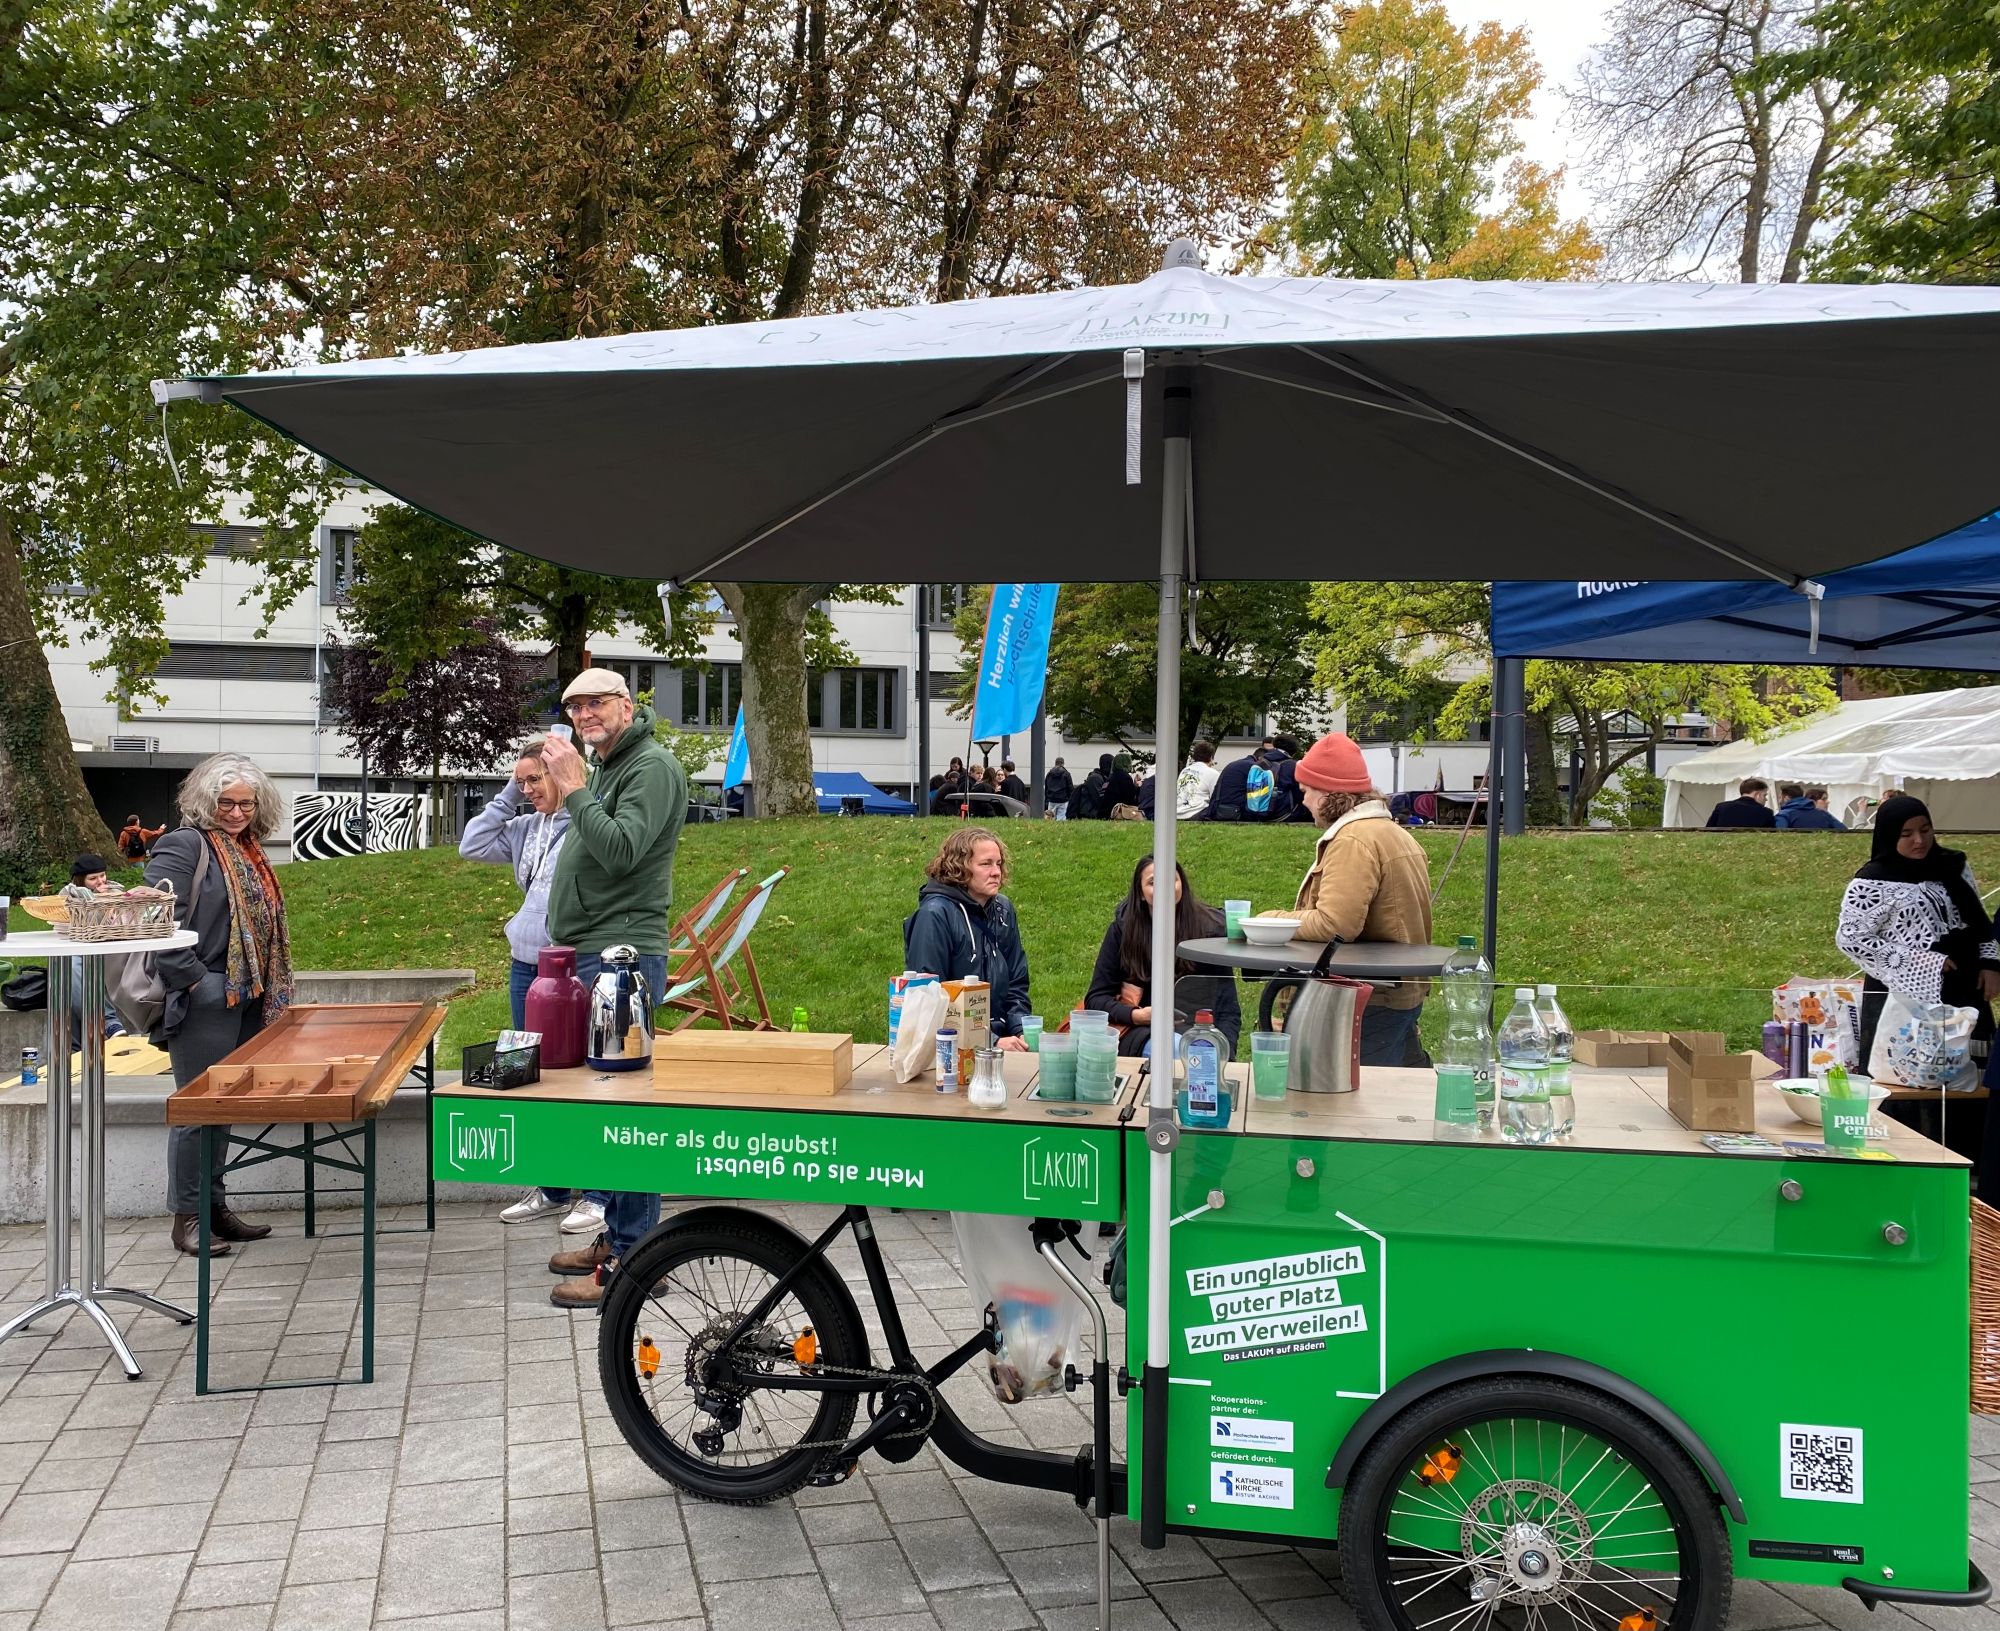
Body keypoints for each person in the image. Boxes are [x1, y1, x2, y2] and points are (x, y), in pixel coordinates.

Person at [539, 667, 688, 1309]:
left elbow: (622, 850)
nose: (583, 714)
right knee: (611, 1107)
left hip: (621, 955)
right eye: (573, 705)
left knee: (628, 1111)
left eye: (596, 701)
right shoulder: (610, 765)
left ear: (628, 705)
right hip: (597, 949)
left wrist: (573, 787)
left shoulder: (650, 766)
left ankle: (632, 1261)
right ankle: (623, 1238)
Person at [145, 754, 290, 1258]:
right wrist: (195, 982)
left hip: (248, 993)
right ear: (206, 801)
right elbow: (155, 918)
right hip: (205, 996)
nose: (236, 812)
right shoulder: (184, 844)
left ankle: (215, 1209)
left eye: (246, 803)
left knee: (223, 1105)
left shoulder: (248, 850)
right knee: (197, 1108)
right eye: (226, 802)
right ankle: (187, 1218)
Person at [1836, 795, 2000, 1189]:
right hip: (1905, 995)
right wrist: (1922, 961)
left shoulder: (1954, 865)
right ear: (1890, 835)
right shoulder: (1873, 879)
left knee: (1968, 1083)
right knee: (1909, 1083)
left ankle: (1969, 1172)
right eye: (1906, 833)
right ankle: (1909, 1168)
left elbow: (1979, 919)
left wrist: (1992, 964)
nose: (1918, 841)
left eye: (1924, 830)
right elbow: (1851, 937)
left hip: (1965, 991)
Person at [458, 737, 577, 1227]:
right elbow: (472, 844)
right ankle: (551, 1186)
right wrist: (508, 792)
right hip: (523, 963)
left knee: (575, 1077)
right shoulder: (526, 826)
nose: (528, 789)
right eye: (521, 780)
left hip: (568, 965)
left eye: (535, 779)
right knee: (527, 1072)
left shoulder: (582, 823)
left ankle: (594, 1192)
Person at [1289, 732, 1434, 1065]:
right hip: (1399, 991)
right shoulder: (1392, 832)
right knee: (1402, 1094)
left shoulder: (1354, 838)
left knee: (1360, 1103)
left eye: (1307, 791)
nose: (1304, 801)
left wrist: (1271, 920)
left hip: (1372, 996)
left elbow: (1335, 924)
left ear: (1329, 794)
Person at [1085, 858, 1240, 1059]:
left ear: (1181, 885)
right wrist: (1138, 1016)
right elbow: (1096, 999)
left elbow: (1228, 1010)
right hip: (1142, 1032)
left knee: (1202, 1054)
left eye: (1171, 880)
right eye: (1153, 882)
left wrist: (1226, 1058)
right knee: (1176, 1048)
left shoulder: (1209, 933)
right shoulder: (1123, 931)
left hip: (1200, 1034)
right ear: (1141, 893)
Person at [903, 826, 1031, 1049]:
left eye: (998, 863)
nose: (996, 872)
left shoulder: (1003, 909)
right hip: (951, 1050)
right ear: (959, 868)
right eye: (985, 864)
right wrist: (991, 1043)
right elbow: (930, 1000)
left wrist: (1021, 1030)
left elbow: (1016, 984)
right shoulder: (934, 915)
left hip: (1003, 1041)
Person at [66, 856, 126, 1044]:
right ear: (80, 880)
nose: (100, 881)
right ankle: (107, 1022)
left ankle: (79, 1044)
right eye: (93, 878)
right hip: (83, 948)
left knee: (74, 967)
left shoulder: (116, 892)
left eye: (102, 875)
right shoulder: (70, 895)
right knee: (72, 967)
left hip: (113, 949)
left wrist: (111, 907)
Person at [1205, 746, 1272, 822]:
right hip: (1235, 811)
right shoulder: (1253, 768)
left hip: (1217, 808)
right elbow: (1258, 794)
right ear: (1260, 759)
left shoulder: (1236, 764)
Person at [1706, 777, 1776, 828]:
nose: (1766, 799)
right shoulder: (1766, 813)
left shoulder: (1721, 807)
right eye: (1765, 795)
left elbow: (1707, 830)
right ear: (1757, 795)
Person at [1175, 742, 1220, 820]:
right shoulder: (1213, 773)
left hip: (1177, 812)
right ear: (1211, 757)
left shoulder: (1185, 770)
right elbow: (1215, 798)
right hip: (1196, 813)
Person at [1777, 785, 1846, 831]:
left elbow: (1779, 835)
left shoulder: (1784, 814)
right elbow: (1844, 830)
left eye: (1780, 797)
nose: (1779, 801)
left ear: (1786, 798)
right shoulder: (1823, 814)